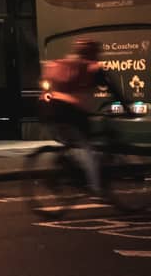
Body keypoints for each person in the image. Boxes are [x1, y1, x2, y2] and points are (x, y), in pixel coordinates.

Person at [41, 37, 123, 196]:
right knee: (87, 146)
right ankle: (95, 187)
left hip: (46, 109)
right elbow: (112, 89)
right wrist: (126, 107)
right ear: (93, 53)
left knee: (71, 142)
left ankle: (66, 167)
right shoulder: (91, 67)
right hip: (68, 111)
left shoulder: (62, 63)